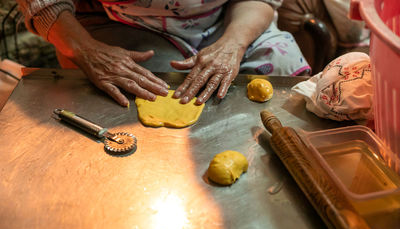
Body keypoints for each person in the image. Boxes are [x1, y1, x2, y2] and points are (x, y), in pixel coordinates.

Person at [16, 0, 310, 106]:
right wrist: (86, 50)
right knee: (159, 94)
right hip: (123, 22)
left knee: (282, 72)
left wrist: (233, 44)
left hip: (232, 16)